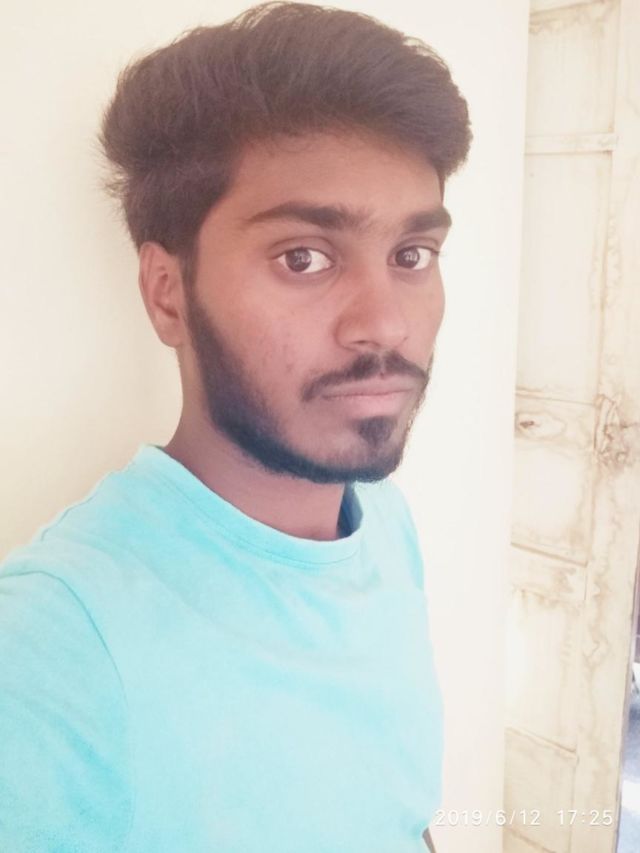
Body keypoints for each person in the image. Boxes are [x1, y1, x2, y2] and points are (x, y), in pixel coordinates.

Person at [0, 2, 470, 850]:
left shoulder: (383, 522)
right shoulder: (52, 649)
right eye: (304, 257)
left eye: (412, 256)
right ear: (167, 293)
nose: (386, 323)